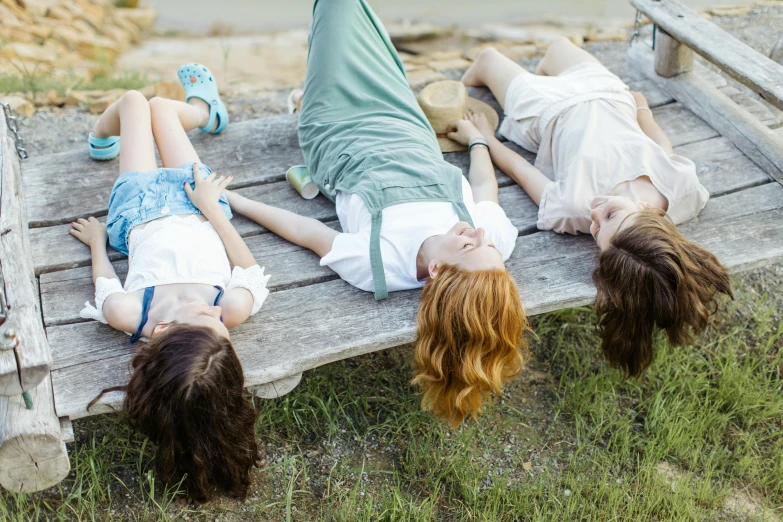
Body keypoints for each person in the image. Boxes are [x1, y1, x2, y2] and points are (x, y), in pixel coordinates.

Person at [226, 0, 528, 428]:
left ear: (438, 270)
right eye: (486, 244)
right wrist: (478, 141)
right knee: (366, 26)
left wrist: (236, 201)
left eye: (470, 245)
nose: (480, 236)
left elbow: (304, 230)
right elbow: (483, 187)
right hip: (404, 122)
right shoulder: (491, 244)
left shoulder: (379, 264)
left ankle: (307, 101)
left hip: (336, 134)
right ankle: (308, 90)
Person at [460, 39, 733, 377]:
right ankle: (543, 72)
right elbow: (662, 147)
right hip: (608, 94)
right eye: (611, 215)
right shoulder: (682, 189)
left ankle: (508, 76)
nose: (595, 213)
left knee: (487, 58)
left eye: (595, 230)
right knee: (556, 48)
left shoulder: (574, 207)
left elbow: (521, 170)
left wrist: (488, 137)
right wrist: (642, 110)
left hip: (547, 110)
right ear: (650, 210)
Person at [70, 64, 270, 501]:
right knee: (162, 107)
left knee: (134, 102)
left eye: (206, 317)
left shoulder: (129, 314)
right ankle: (205, 111)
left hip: (139, 207)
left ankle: (101, 139)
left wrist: (98, 245)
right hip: (199, 202)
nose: (218, 314)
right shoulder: (229, 310)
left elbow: (105, 283)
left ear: (160, 332)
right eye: (225, 331)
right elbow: (248, 268)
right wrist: (212, 208)